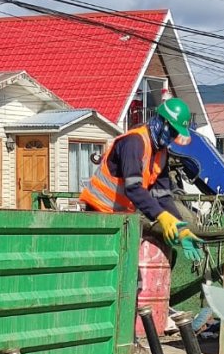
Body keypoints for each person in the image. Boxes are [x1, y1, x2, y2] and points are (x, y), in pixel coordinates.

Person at [79, 98, 203, 261]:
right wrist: (161, 216)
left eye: (175, 134)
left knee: (123, 265)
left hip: (122, 217)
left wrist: (180, 228)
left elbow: (163, 196)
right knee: (102, 263)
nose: (172, 137)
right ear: (162, 122)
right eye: (172, 131)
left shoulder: (161, 153)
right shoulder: (133, 142)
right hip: (98, 212)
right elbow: (133, 188)